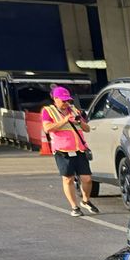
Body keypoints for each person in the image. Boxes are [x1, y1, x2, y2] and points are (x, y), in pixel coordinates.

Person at [41, 86, 98, 217]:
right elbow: (47, 128)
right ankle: (74, 206)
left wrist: (80, 121)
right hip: (62, 150)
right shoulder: (48, 111)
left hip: (79, 149)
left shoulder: (73, 110)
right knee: (68, 179)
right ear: (55, 99)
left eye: (68, 100)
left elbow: (87, 128)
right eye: (63, 100)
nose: (67, 103)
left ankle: (85, 200)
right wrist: (64, 120)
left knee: (87, 179)